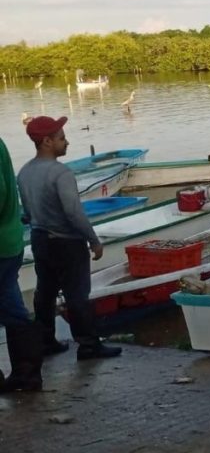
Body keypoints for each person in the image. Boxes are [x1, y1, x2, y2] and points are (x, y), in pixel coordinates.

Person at [17, 116, 121, 360]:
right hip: (67, 242)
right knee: (77, 295)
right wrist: (93, 239)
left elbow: (28, 214)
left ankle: (45, 341)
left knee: (45, 292)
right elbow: (74, 212)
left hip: (40, 239)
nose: (67, 142)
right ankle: (88, 345)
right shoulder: (60, 173)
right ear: (46, 141)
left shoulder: (24, 173)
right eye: (62, 138)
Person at [1, 136, 44, 391]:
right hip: (10, 239)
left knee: (10, 304)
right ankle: (27, 374)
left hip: (2, 243)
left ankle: (27, 373)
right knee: (10, 302)